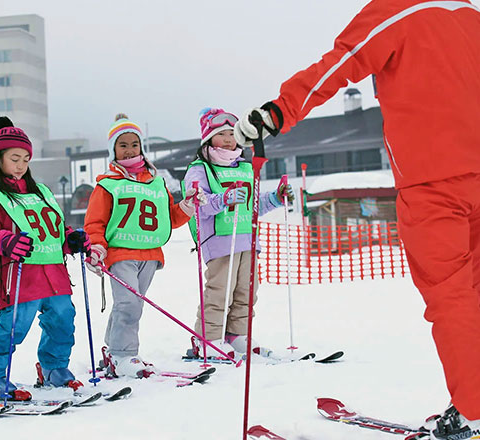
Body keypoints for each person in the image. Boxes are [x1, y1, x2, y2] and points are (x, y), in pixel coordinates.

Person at [233, 1, 480, 438]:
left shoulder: (397, 11)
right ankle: (471, 396)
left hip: (433, 181)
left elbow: (340, 65)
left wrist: (279, 111)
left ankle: (475, 409)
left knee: (452, 297)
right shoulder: (470, 16)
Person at [0, 116, 91, 399]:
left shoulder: (42, 191)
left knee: (63, 318)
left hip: (54, 271)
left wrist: (71, 238)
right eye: (14, 158)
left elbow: (53, 227)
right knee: (13, 328)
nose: (21, 165)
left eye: (25, 159)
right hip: (20, 273)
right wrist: (5, 241)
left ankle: (54, 367)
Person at [83, 114, 201, 377]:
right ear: (113, 149)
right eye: (123, 144)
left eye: (134, 144)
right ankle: (124, 355)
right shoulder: (108, 184)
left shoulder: (157, 182)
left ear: (141, 147)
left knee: (129, 304)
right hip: (120, 253)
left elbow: (168, 217)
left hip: (149, 254)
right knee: (129, 304)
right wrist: (96, 247)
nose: (129, 150)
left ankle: (112, 349)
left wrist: (187, 206)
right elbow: (95, 221)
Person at [182, 108, 293, 359]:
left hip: (246, 238)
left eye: (232, 133)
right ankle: (208, 339)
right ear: (208, 139)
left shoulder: (244, 167)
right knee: (220, 291)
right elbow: (199, 204)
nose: (229, 138)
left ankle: (237, 335)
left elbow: (253, 204)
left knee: (246, 291)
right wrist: (223, 199)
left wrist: (276, 198)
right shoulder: (201, 169)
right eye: (221, 133)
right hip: (219, 240)